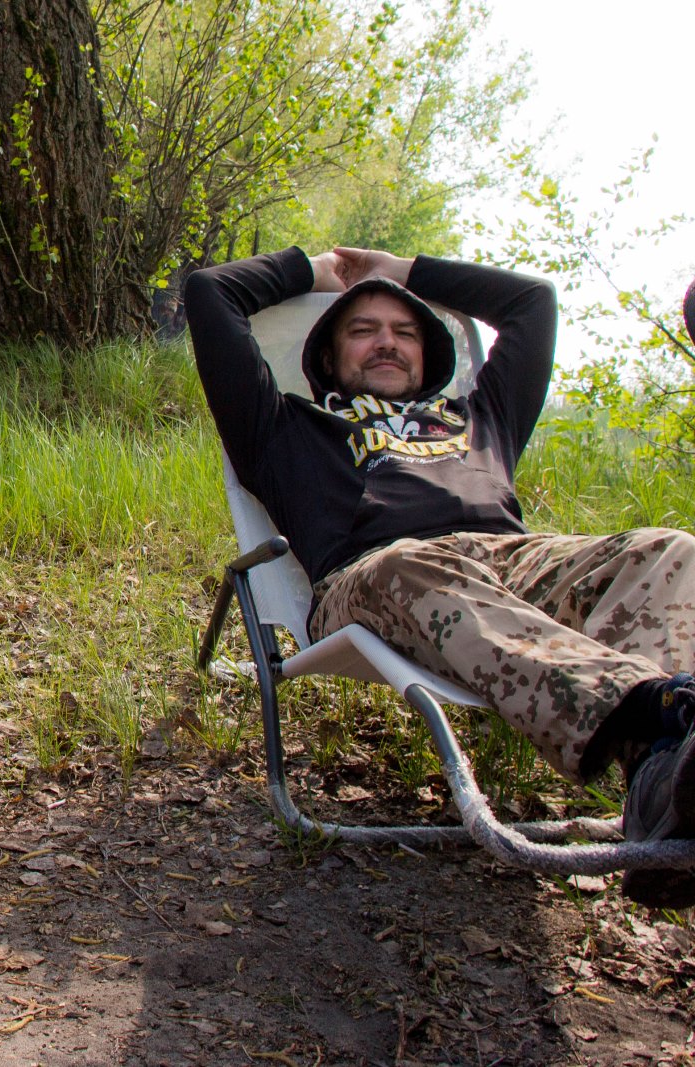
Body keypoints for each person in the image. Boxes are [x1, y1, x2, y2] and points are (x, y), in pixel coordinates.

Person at [185, 246, 695, 909]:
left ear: (429, 357)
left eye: (405, 332)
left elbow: (532, 302)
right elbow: (210, 294)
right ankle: (658, 719)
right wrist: (314, 271)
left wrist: (404, 270)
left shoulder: (483, 418)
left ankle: (665, 769)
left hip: (512, 566)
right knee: (410, 563)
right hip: (376, 576)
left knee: (668, 548)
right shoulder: (283, 426)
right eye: (363, 330)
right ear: (328, 358)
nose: (387, 342)